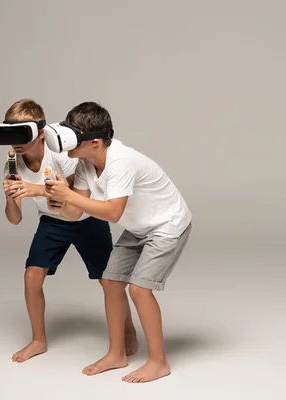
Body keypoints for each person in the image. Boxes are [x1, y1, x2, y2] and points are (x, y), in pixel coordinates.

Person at [44, 101, 192, 383]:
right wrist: (62, 201)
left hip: (167, 225)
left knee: (138, 289)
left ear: (95, 141)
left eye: (72, 138)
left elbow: (112, 213)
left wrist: (70, 195)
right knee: (111, 281)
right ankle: (116, 353)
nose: (64, 145)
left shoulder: (121, 161)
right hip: (138, 227)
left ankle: (159, 361)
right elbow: (76, 211)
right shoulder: (86, 162)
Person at [0, 98, 138, 363]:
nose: (15, 141)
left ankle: (128, 329)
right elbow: (14, 219)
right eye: (10, 133)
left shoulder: (62, 154)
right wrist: (9, 196)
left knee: (110, 281)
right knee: (31, 277)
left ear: (40, 133)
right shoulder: (13, 163)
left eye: (21, 133)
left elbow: (75, 195)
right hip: (52, 223)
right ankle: (38, 340)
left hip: (88, 219)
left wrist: (37, 190)